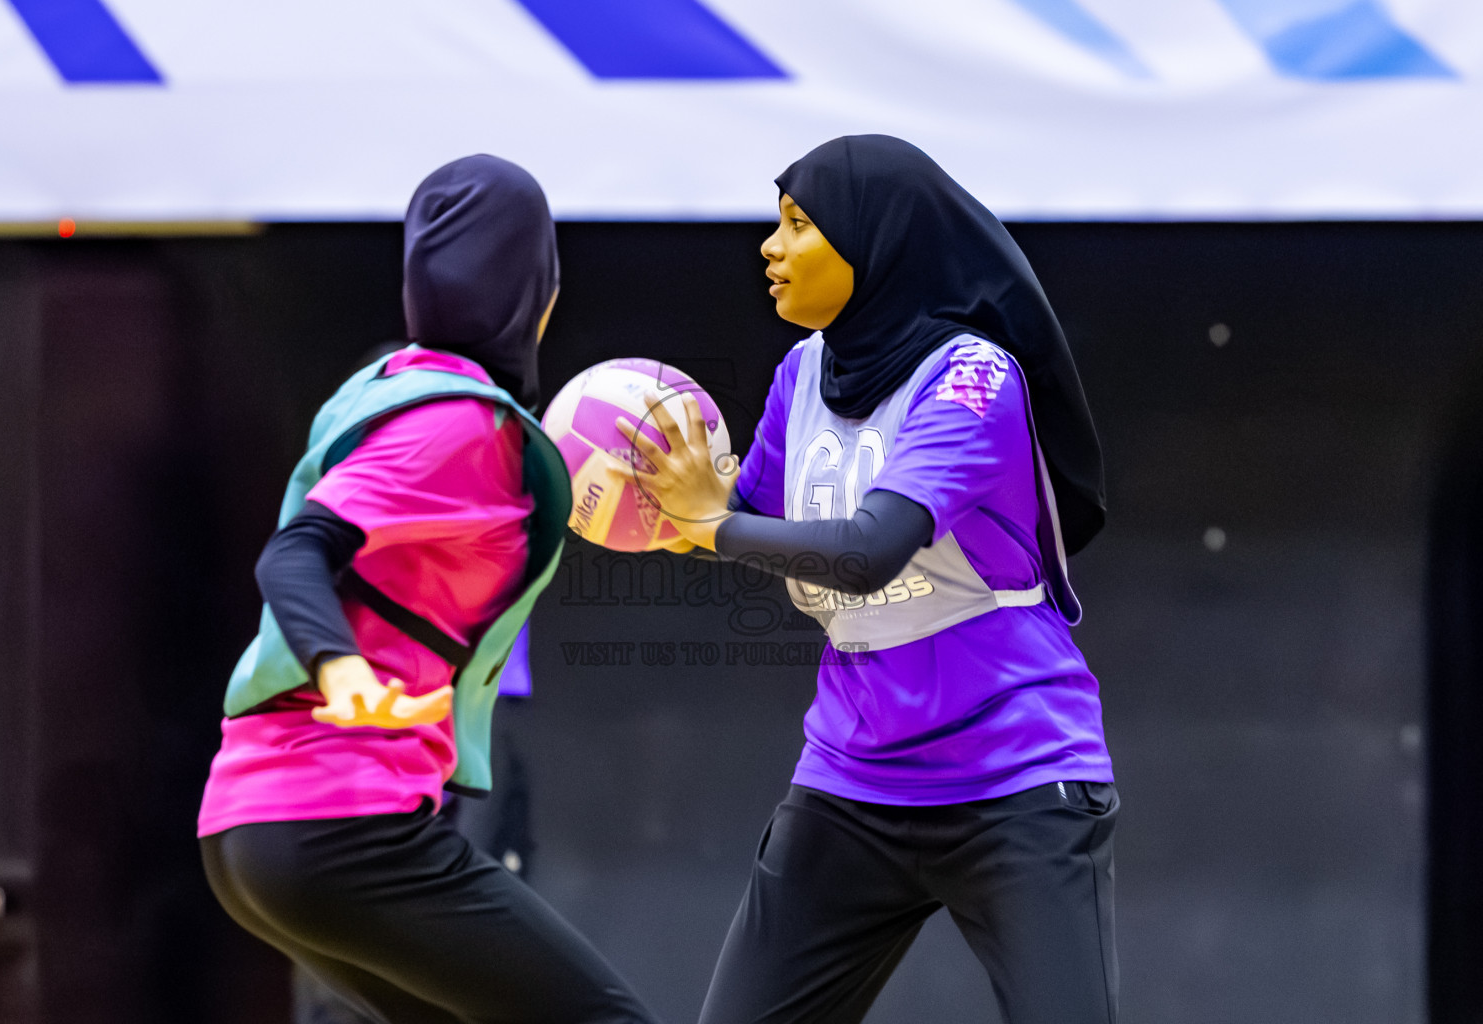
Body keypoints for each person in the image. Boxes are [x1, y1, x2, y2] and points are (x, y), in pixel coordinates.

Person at [618, 134, 1117, 1024]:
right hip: (853, 781)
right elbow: (740, 523)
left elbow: (865, 551)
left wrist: (711, 522)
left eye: (799, 224)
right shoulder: (801, 373)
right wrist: (649, 505)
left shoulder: (971, 379)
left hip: (1014, 778)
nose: (770, 248)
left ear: (875, 243)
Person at [198, 155, 660, 1024]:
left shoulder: (388, 389)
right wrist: (341, 671)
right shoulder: (454, 424)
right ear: (537, 291)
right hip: (339, 821)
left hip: (254, 826)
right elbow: (297, 554)